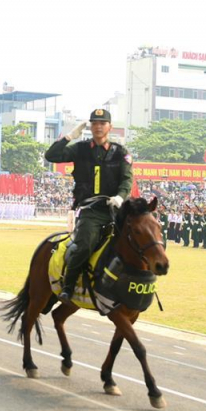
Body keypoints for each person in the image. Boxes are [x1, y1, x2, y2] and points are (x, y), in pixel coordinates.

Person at [44, 109, 133, 305]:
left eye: (102, 123)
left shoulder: (120, 153)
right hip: (92, 211)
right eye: (94, 123)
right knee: (84, 245)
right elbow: (51, 156)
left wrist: (120, 196)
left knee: (140, 239)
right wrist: (68, 137)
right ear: (91, 127)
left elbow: (127, 180)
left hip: (116, 210)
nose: (98, 126)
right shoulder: (80, 149)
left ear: (110, 126)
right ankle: (67, 287)